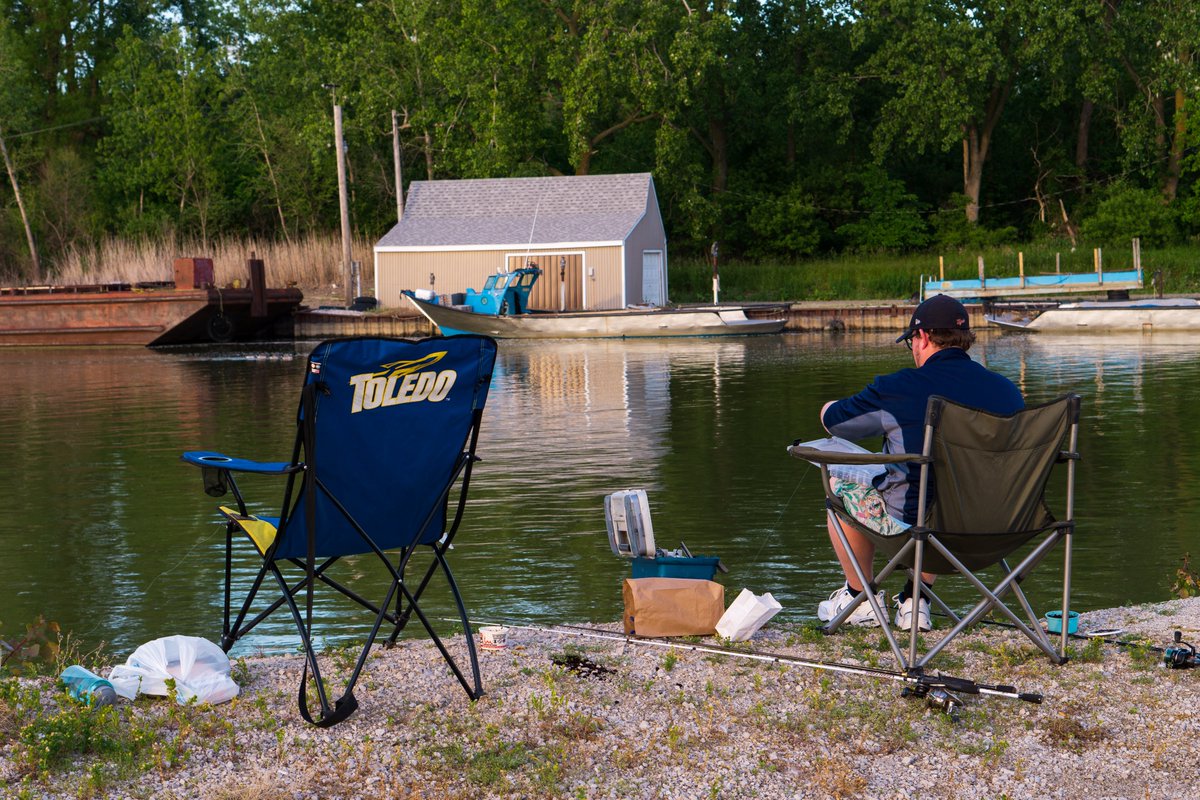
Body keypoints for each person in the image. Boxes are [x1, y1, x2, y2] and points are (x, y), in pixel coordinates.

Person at [816, 294, 1024, 631]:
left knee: (840, 485)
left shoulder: (899, 387)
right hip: (998, 528)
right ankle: (917, 600)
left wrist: (827, 405)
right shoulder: (1007, 391)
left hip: (914, 529)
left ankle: (860, 598)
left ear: (923, 337)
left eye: (911, 341)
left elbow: (837, 422)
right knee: (944, 490)